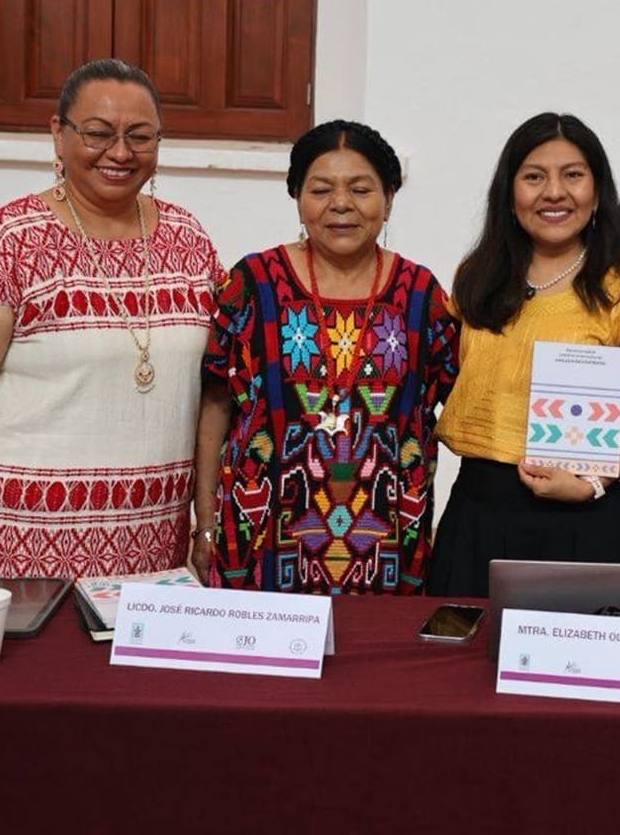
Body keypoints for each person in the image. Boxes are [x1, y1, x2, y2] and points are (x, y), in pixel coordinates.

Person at [0, 59, 220, 582]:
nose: (120, 153)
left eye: (139, 136)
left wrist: (205, 526)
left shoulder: (187, 239)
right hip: (22, 540)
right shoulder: (8, 241)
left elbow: (212, 390)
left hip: (154, 543)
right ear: (59, 135)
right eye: (98, 133)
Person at [193, 120, 458, 593]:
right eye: (321, 189)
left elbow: (453, 405)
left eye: (361, 189)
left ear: (390, 198)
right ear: (297, 196)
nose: (341, 205)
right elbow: (216, 405)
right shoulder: (251, 285)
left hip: (389, 545)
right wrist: (206, 524)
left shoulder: (422, 296)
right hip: (259, 544)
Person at [426, 112, 620, 597]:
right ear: (510, 192)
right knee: (462, 662)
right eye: (534, 176)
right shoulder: (477, 279)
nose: (554, 192)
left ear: (597, 191)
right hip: (478, 509)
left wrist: (592, 485)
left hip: (582, 513)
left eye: (573, 175)